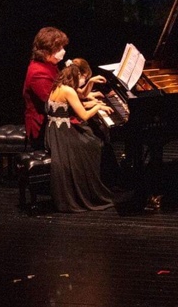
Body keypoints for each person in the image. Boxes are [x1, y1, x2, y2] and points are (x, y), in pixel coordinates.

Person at [44, 58, 115, 212]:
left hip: (53, 131)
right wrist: (98, 107)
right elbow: (84, 115)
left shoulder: (59, 84)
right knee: (93, 144)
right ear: (77, 76)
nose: (83, 82)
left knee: (92, 136)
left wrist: (92, 92)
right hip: (63, 134)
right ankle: (93, 186)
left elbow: (79, 99)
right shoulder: (69, 91)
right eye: (83, 78)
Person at [22, 26, 68, 147]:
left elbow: (62, 89)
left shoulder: (49, 64)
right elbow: (54, 103)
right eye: (59, 48)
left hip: (53, 118)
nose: (63, 51)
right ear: (47, 50)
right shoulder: (39, 72)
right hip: (43, 128)